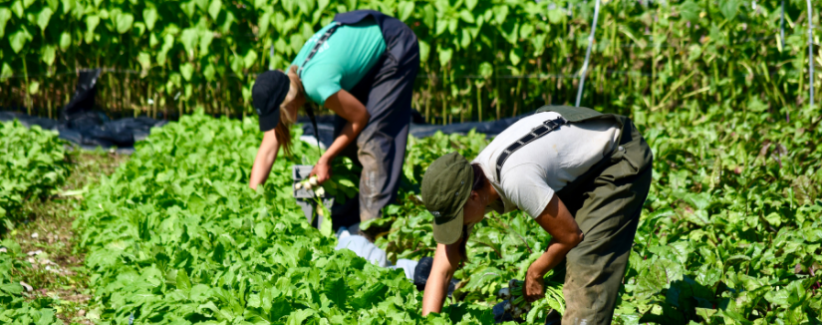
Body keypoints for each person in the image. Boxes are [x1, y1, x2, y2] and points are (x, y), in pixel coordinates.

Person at [419, 105, 653, 325]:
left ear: (473, 197)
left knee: (585, 259)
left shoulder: (516, 178)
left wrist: (535, 271)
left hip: (617, 156)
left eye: (457, 219)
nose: (459, 226)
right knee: (563, 264)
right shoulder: (470, 180)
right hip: (578, 163)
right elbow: (441, 270)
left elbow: (570, 236)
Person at [249, 10, 419, 229]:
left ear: (288, 102)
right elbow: (268, 146)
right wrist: (252, 204)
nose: (278, 121)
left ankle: (375, 231)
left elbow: (360, 117)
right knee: (345, 142)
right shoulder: (289, 78)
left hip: (394, 45)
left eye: (277, 115)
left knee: (372, 138)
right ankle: (347, 222)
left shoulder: (316, 84)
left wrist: (326, 158)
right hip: (363, 43)